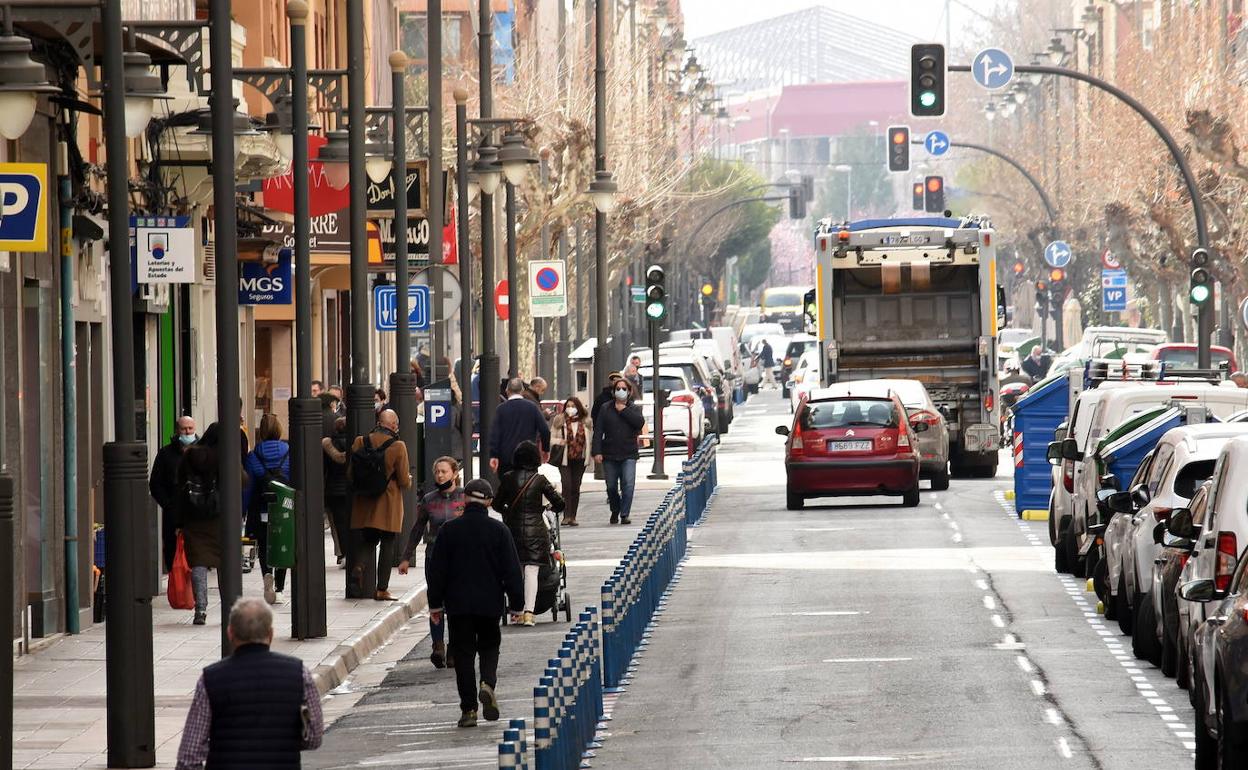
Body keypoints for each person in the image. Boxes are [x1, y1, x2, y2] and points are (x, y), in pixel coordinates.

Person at [175, 597, 323, 769]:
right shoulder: (299, 674)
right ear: (271, 634)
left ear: (230, 633)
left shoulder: (210, 679)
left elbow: (189, 755)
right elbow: (314, 737)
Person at [425, 479, 524, 728]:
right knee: (490, 646)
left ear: (464, 500)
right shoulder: (499, 530)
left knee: (464, 654)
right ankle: (487, 683)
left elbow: (437, 571)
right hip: (490, 602)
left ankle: (468, 709)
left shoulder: (449, 530)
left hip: (458, 605)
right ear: (489, 502)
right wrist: (517, 605)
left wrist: (435, 605)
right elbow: (512, 571)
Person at [397, 456, 465, 668]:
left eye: (444, 471)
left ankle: (454, 647)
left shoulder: (465, 498)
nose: (440, 475)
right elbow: (418, 529)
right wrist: (406, 557)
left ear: (454, 473)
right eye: (437, 472)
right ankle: (438, 646)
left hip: (460, 557)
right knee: (436, 602)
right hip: (434, 557)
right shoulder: (429, 500)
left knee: (457, 604)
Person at [494, 442, 564, 627]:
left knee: (516, 571)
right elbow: (560, 503)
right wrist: (549, 507)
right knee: (532, 571)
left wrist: (508, 512)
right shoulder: (539, 480)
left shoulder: (508, 478)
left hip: (513, 531)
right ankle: (529, 613)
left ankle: (516, 608)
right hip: (536, 531)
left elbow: (496, 504)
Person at [349, 409, 412, 601]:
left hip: (364, 501)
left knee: (368, 540)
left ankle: (359, 565)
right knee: (387, 543)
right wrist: (409, 480)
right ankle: (382, 589)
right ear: (393, 425)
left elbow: (350, 474)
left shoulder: (361, 441)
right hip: (388, 503)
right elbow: (403, 480)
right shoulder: (398, 446)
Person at [176, 422, 228, 625]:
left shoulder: (189, 456)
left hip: (193, 517)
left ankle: (201, 609)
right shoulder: (224, 458)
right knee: (226, 562)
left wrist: (178, 520)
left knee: (198, 562)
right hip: (220, 517)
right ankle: (229, 605)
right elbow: (241, 480)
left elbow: (178, 487)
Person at [244, 414, 291, 605]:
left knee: (264, 546)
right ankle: (279, 589)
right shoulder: (289, 452)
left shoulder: (253, 456)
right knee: (283, 544)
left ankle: (266, 576)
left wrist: (243, 510)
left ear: (261, 432)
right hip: (285, 508)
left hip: (262, 507)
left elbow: (248, 487)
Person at [593, 379, 645, 525]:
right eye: (618, 388)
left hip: (628, 453)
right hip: (609, 453)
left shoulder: (633, 408)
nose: (620, 391)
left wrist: (623, 410)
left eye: (624, 388)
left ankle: (624, 513)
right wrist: (596, 451)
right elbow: (598, 430)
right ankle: (615, 509)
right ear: (613, 391)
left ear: (629, 392)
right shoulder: (605, 408)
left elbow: (639, 423)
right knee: (611, 486)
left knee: (628, 484)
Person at [151, 416, 198, 572]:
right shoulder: (166, 454)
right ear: (177, 430)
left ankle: (194, 592)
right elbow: (155, 483)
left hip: (197, 512)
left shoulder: (202, 452)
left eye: (190, 428)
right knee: (173, 553)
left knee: (196, 556)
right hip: (173, 514)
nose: (187, 432)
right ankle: (176, 588)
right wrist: (168, 504)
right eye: (184, 429)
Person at [489, 378, 551, 477]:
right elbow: (545, 430)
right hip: (528, 456)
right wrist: (546, 449)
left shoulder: (501, 409)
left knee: (508, 488)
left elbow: (495, 434)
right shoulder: (532, 407)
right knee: (527, 487)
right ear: (522, 391)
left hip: (506, 457)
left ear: (507, 391)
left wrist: (494, 455)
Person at [550, 397, 592, 526]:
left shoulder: (586, 421)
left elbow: (589, 439)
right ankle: (566, 515)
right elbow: (551, 438)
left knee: (575, 486)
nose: (570, 408)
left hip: (580, 458)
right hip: (564, 458)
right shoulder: (560, 420)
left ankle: (573, 515)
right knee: (566, 485)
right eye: (568, 406)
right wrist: (560, 442)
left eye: (573, 406)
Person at [321, 415, 351, 567]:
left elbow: (323, 469)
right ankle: (353, 553)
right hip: (351, 488)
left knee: (339, 524)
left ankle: (343, 553)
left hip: (334, 490)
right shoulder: (355, 443)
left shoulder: (328, 445)